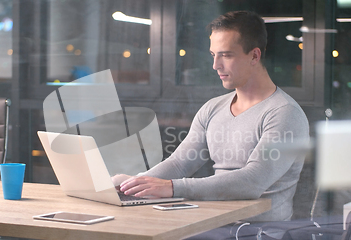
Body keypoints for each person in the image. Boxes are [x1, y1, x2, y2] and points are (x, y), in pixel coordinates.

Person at [114, 10, 309, 223]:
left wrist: (171, 187)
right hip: (213, 221)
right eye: (213, 55)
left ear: (254, 55)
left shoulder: (285, 113)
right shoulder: (213, 108)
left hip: (258, 236)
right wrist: (131, 185)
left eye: (226, 55)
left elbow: (253, 181)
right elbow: (180, 164)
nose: (216, 65)